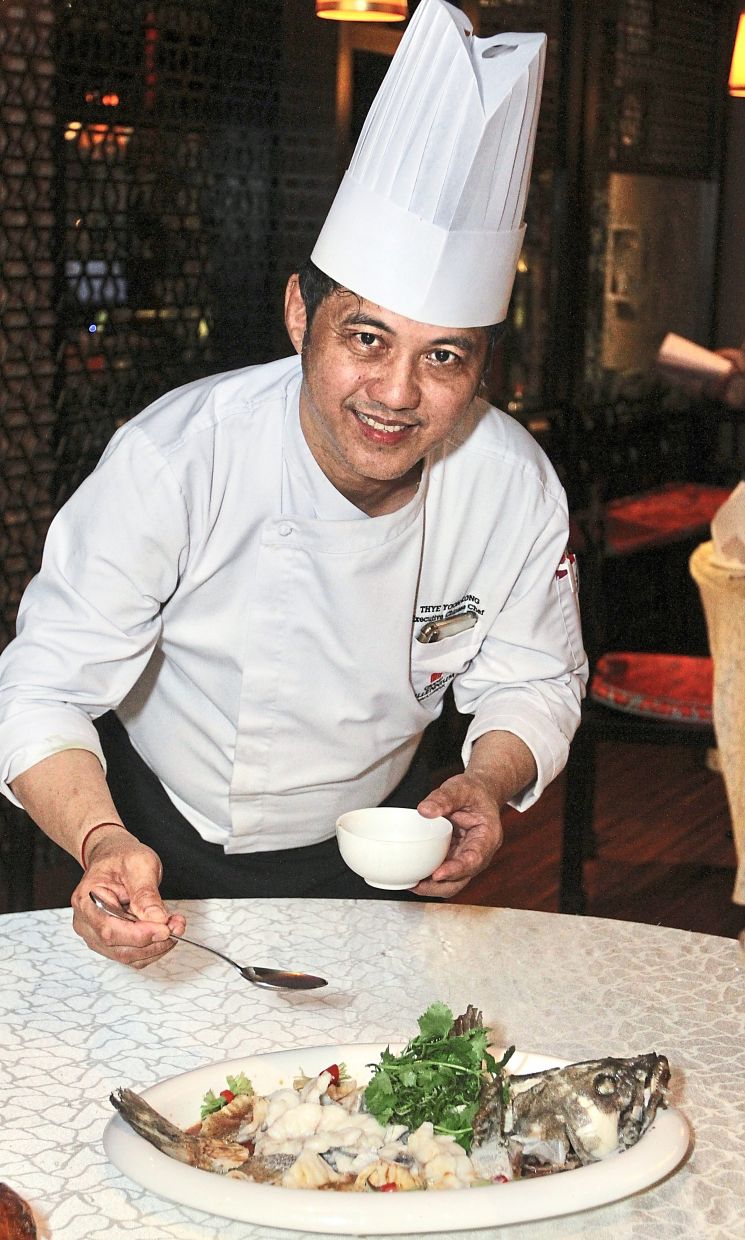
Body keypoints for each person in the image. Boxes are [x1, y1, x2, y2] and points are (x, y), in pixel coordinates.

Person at [0, 0, 587, 966]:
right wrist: (102, 841)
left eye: (443, 356)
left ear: (482, 364)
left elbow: (532, 676)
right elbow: (44, 686)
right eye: (366, 337)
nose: (397, 394)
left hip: (384, 841)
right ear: (296, 315)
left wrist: (487, 781)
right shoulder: (178, 456)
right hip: (159, 834)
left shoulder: (509, 483)